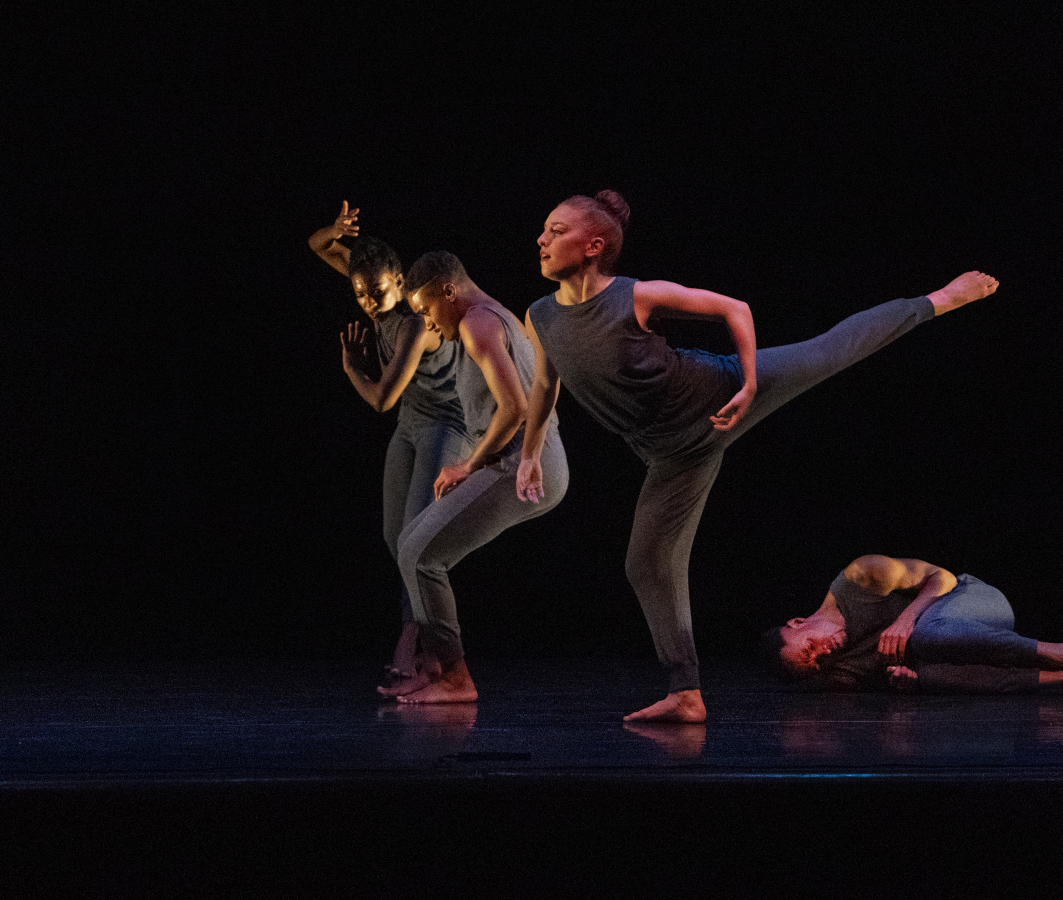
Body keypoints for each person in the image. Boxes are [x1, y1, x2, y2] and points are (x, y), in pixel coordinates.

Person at [515, 189, 1000, 722]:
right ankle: (686, 693)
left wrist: (747, 381)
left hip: (716, 392)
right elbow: (544, 383)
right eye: (545, 230)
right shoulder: (540, 317)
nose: (542, 239)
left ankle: (939, 299)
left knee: (829, 351)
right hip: (672, 455)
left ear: (593, 245)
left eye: (556, 230)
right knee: (645, 564)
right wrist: (530, 452)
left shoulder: (637, 295)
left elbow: (735, 308)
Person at [385, 250, 569, 703]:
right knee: (418, 548)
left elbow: (515, 408)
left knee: (417, 553)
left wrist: (469, 465)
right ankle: (436, 667)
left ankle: (455, 678)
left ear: (449, 291)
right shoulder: (500, 315)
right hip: (534, 461)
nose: (428, 323)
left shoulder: (476, 324)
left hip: (523, 465)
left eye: (427, 309)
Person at [308, 202, 470, 687]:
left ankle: (418, 641)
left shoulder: (416, 323)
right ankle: (422, 638)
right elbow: (317, 245)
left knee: (417, 538)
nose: (368, 303)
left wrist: (351, 369)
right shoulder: (370, 285)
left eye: (377, 292)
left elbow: (381, 399)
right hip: (412, 423)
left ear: (399, 282)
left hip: (447, 424)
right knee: (392, 534)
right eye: (359, 294)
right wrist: (335, 230)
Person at [763, 554, 1063, 695]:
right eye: (814, 665)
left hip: (975, 602)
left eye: (809, 648)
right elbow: (887, 679)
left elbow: (943, 577)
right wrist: (902, 682)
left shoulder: (860, 577)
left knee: (926, 636)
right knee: (931, 676)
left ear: (797, 622)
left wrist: (906, 618)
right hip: (959, 649)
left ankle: (1058, 652)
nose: (822, 655)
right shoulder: (835, 671)